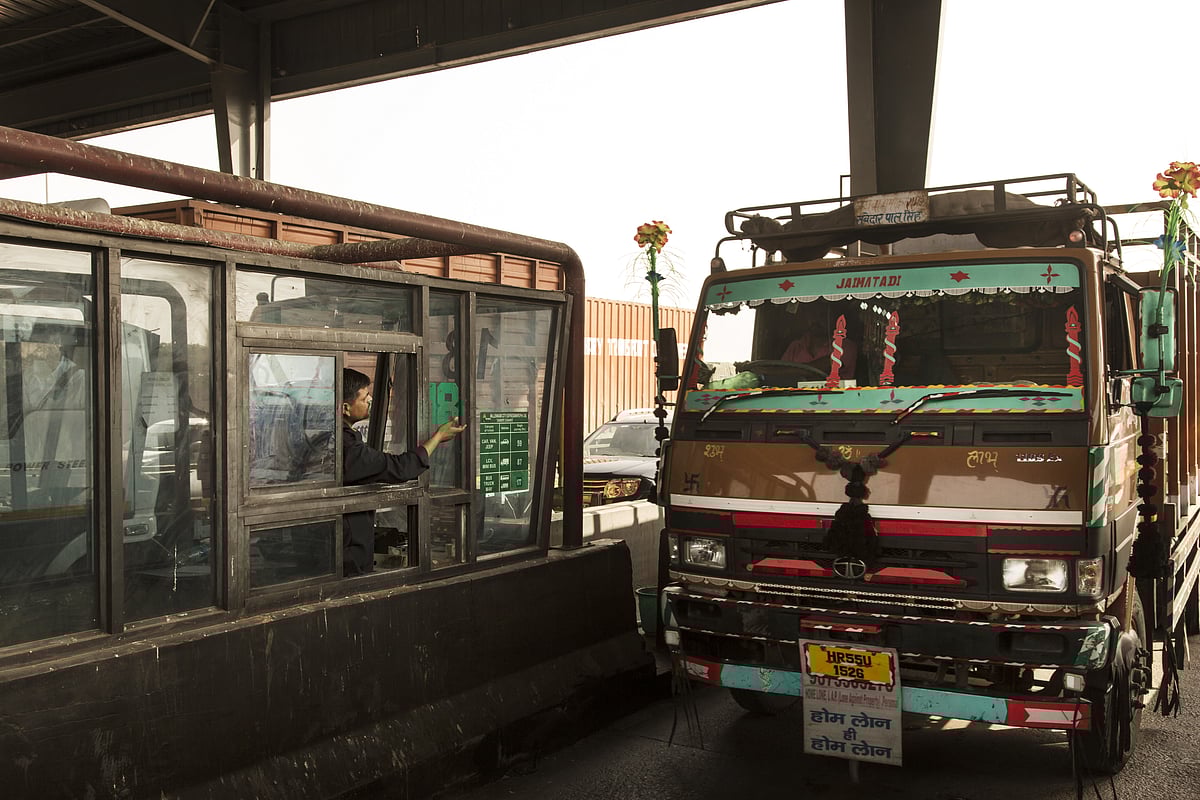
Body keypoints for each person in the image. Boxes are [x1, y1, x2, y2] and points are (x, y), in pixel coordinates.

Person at [341, 368, 465, 576]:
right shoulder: (346, 448)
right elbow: (399, 468)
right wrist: (437, 438)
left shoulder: (335, 439)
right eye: (365, 396)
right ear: (345, 407)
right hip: (348, 554)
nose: (370, 399)